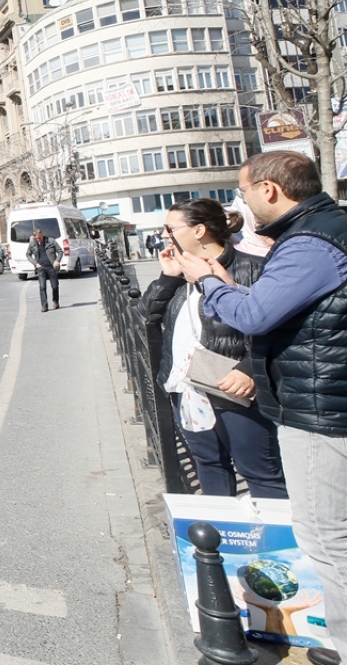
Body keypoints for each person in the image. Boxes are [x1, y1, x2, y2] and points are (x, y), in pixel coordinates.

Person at [177, 151, 347, 665]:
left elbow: (253, 316)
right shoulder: (318, 231)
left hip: (320, 408)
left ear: (269, 189)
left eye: (244, 190)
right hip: (320, 398)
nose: (243, 202)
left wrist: (210, 283)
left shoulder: (311, 241)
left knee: (327, 539)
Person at [139, 199, 287, 499]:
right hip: (186, 386)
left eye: (170, 228)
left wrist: (248, 369)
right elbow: (145, 315)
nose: (164, 235)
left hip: (234, 389)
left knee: (259, 471)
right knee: (208, 463)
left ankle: (274, 530)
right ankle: (222, 527)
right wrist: (167, 278)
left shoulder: (253, 268)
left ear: (199, 231)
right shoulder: (179, 272)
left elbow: (280, 327)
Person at [26, 229, 62, 312]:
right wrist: (35, 263)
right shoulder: (33, 243)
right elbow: (28, 254)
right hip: (41, 268)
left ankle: (55, 301)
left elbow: (60, 251)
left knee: (55, 286)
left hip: (51, 267)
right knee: (42, 286)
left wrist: (57, 261)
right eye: (36, 238)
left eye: (40, 237)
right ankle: (44, 305)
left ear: (42, 235)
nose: (38, 239)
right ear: (34, 237)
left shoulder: (51, 241)